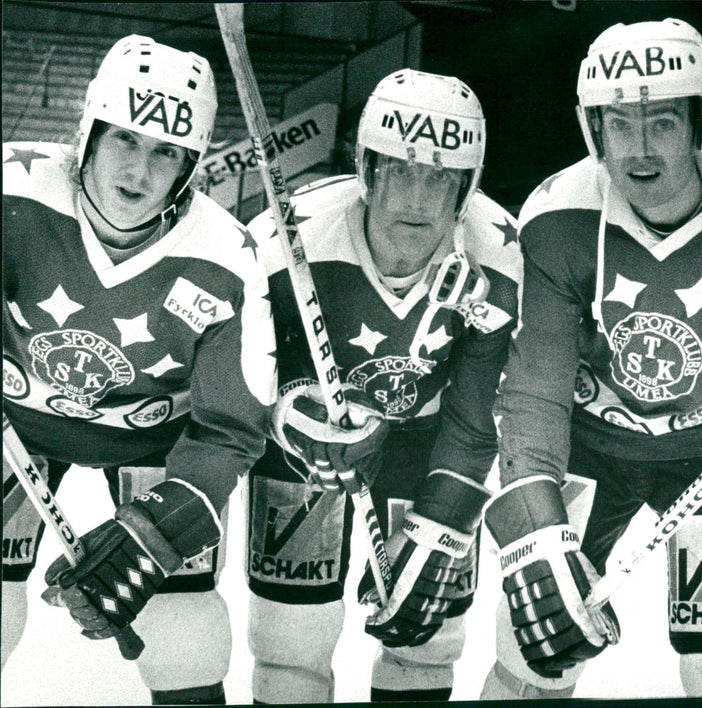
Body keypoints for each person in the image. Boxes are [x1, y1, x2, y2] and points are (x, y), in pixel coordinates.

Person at [480, 17, 702, 699]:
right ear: (593, 129)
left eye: (661, 122)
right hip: (592, 449)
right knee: (533, 657)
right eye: (618, 124)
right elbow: (536, 390)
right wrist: (534, 524)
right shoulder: (559, 216)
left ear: (701, 121)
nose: (639, 148)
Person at [2, 35, 276, 705]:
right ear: (89, 133)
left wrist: (160, 528)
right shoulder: (12, 191)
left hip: (157, 439)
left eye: (167, 152)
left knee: (181, 635)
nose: (139, 170)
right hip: (17, 423)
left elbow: (232, 427)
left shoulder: (226, 257)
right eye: (125, 138)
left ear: (190, 165)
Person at [244, 68, 521, 703]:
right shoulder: (288, 238)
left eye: (441, 177)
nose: (417, 199)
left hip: (425, 445)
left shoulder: (498, 257)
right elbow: (243, 377)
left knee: (426, 643)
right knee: (290, 642)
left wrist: (441, 523)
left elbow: (478, 416)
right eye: (400, 170)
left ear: (467, 187)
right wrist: (293, 420)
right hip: (308, 447)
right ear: (368, 170)